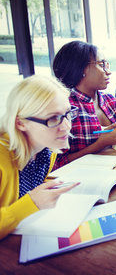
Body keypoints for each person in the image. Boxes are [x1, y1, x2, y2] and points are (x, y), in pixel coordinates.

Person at [0, 75, 79, 240]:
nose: (66, 126)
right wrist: (31, 204)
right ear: (20, 123)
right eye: (53, 118)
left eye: (67, 114)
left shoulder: (46, 150)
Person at [53, 41, 116, 168]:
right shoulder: (65, 108)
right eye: (102, 65)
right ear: (81, 69)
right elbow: (56, 164)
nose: (108, 72)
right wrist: (99, 145)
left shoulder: (111, 101)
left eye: (107, 64)